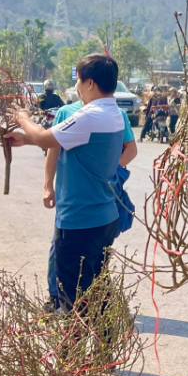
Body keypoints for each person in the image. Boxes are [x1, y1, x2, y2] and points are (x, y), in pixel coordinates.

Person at [6, 54, 126, 308]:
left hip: (79, 221)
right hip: (103, 216)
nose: (77, 88)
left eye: (79, 82)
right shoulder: (112, 112)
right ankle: (103, 342)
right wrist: (26, 139)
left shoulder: (90, 115)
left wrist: (23, 118)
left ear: (90, 83)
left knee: (72, 300)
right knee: (97, 293)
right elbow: (59, 140)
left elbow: (43, 138)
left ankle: (73, 347)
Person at [40, 87, 138, 310]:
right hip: (70, 200)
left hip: (97, 206)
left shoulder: (116, 115)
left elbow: (130, 150)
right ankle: (58, 297)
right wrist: (48, 186)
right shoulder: (67, 113)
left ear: (89, 83)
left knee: (92, 259)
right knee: (61, 251)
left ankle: (87, 317)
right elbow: (52, 150)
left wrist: (109, 172)